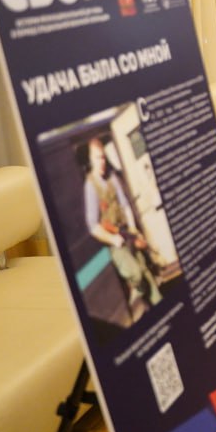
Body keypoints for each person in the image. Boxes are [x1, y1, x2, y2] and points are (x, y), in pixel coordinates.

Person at [80, 136, 162, 322]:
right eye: (97, 158)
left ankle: (158, 307)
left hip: (126, 232)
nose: (101, 162)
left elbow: (125, 205)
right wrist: (113, 239)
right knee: (136, 273)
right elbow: (93, 226)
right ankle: (135, 292)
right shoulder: (90, 186)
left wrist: (132, 229)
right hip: (114, 242)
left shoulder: (112, 178)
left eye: (102, 157)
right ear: (90, 160)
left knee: (146, 271)